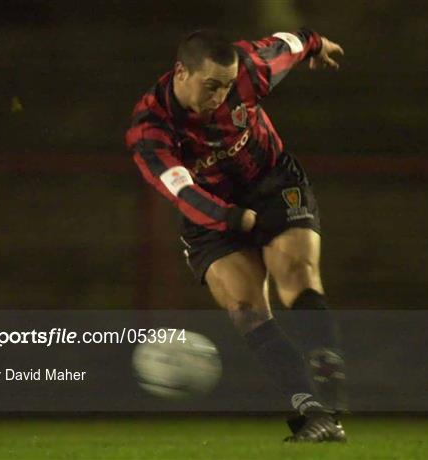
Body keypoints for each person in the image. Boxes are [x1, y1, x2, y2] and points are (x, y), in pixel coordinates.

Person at [126, 27, 346, 442]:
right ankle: (312, 411)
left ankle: (330, 390)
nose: (220, 97)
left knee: (296, 274)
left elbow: (289, 45)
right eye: (211, 87)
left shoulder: (247, 69)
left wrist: (316, 44)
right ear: (181, 73)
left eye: (227, 88)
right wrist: (233, 219)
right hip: (210, 211)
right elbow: (182, 192)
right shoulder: (150, 129)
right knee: (246, 307)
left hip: (273, 182)